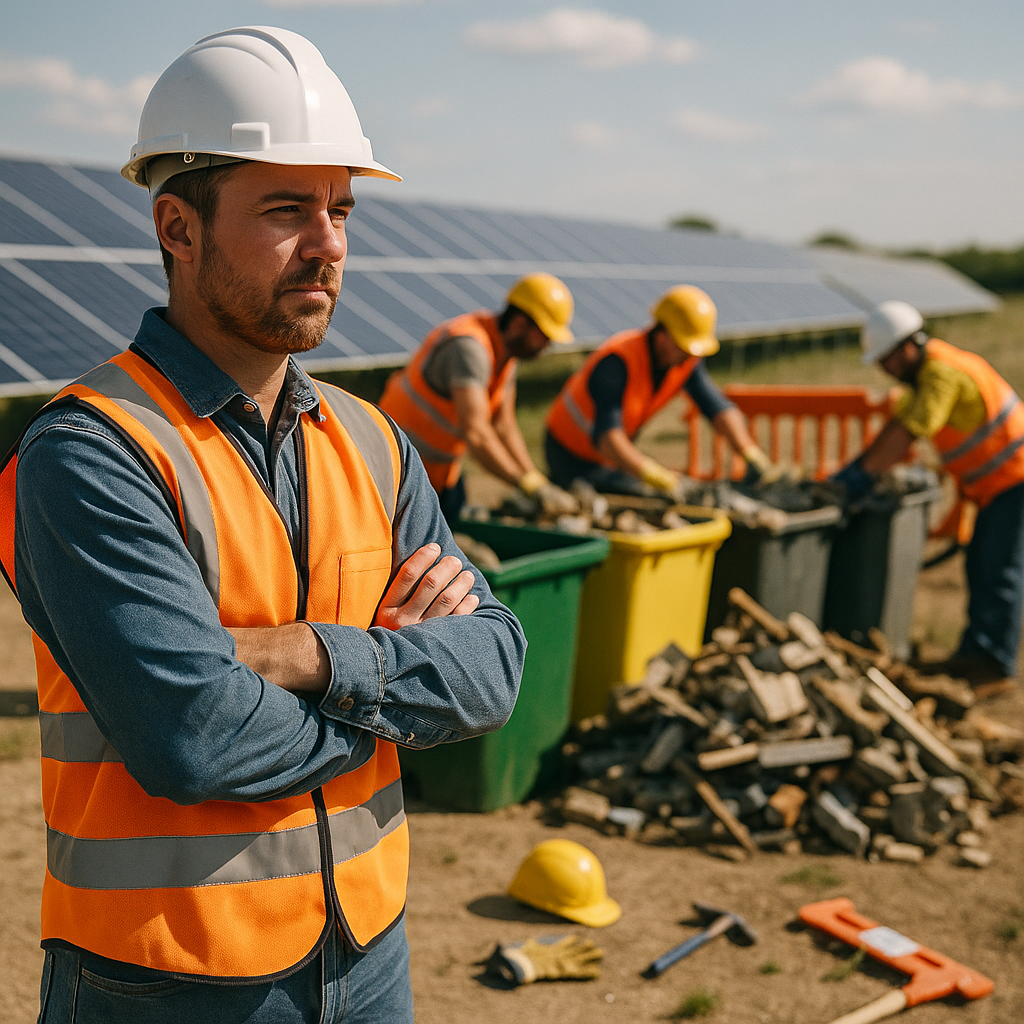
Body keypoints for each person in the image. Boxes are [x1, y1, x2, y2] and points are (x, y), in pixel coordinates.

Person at [0, 27, 525, 1024]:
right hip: (164, 980)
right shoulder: (91, 450)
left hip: (368, 954)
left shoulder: (374, 441)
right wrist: (396, 702)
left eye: (339, 209)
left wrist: (305, 656)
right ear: (177, 228)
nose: (327, 241)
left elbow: (495, 670)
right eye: (286, 209)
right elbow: (193, 737)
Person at [831, 299, 1024, 690]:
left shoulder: (942, 374)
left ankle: (993, 664)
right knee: (980, 567)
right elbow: (898, 425)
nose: (885, 369)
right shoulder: (924, 377)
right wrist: (856, 469)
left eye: (886, 359)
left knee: (998, 569)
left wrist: (858, 478)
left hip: (1015, 479)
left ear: (906, 347)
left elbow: (907, 433)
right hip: (995, 486)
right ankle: (977, 652)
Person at [378, 272, 579, 521]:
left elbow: (504, 426)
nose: (547, 346)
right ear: (519, 323)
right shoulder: (469, 349)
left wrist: (535, 479)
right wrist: (527, 485)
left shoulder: (505, 353)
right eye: (545, 336)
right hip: (398, 469)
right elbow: (477, 433)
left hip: (439, 470)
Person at [544, 284, 776, 498]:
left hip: (607, 458)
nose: (691, 355)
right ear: (663, 334)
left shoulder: (683, 361)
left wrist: (749, 451)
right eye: (685, 346)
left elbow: (716, 407)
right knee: (638, 495)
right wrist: (651, 473)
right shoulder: (617, 362)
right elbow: (608, 438)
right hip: (569, 455)